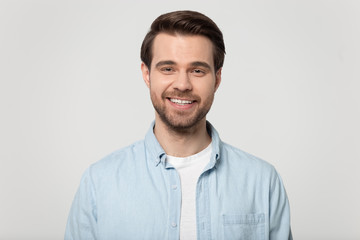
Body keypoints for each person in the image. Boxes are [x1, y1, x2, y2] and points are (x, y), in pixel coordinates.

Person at [65, 10, 292, 240]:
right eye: (168, 69)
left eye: (197, 70)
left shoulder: (263, 182)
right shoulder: (98, 182)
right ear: (147, 74)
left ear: (217, 79)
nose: (183, 85)